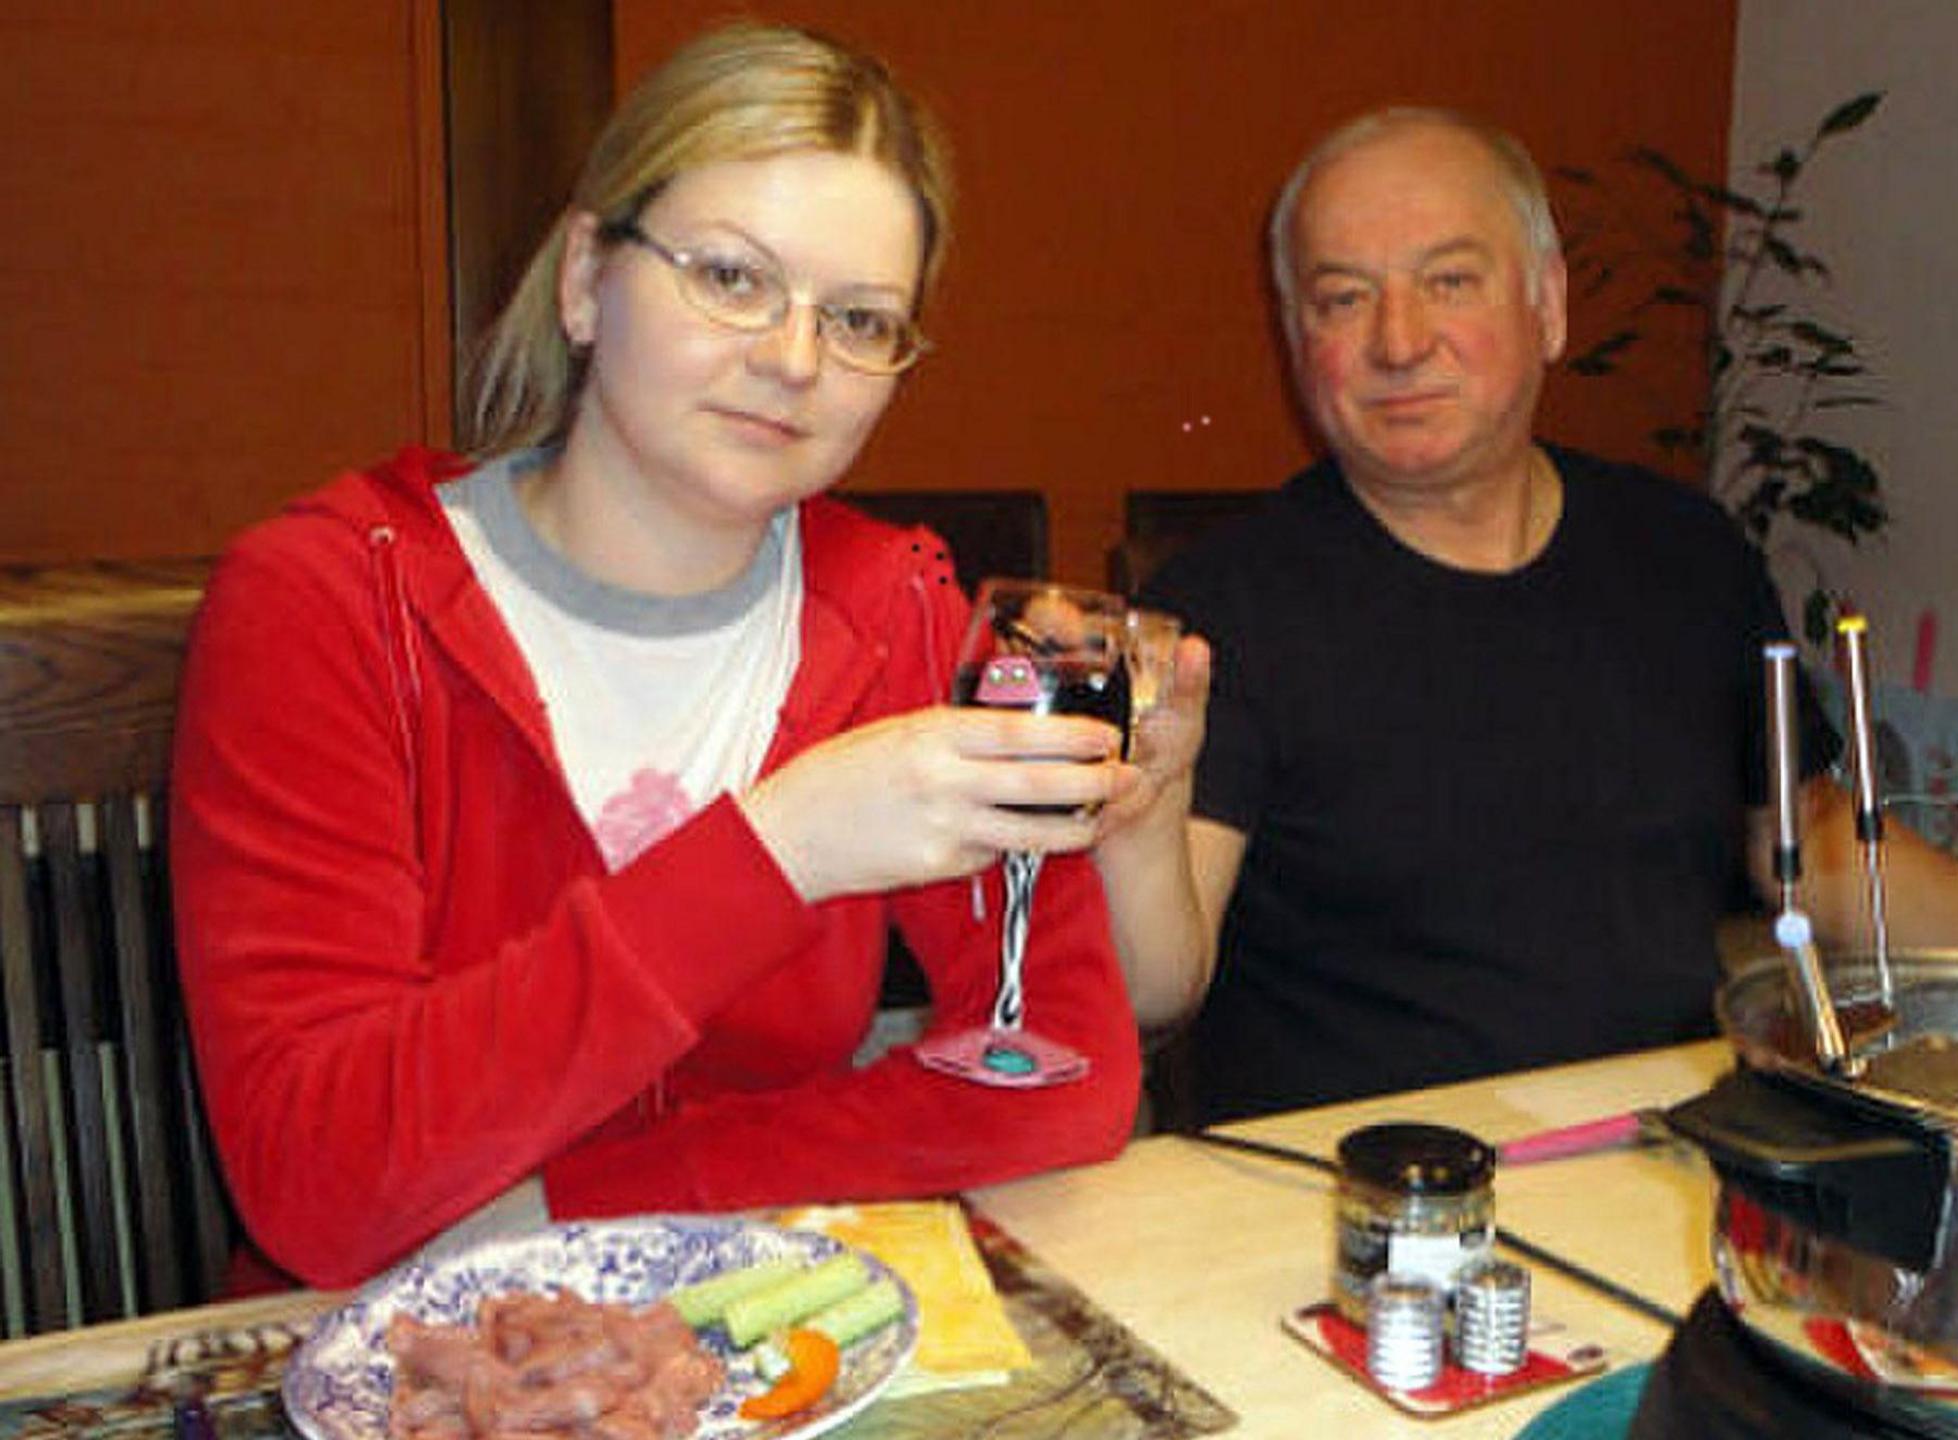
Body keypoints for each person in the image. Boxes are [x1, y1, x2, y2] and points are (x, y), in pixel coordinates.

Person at [171, 23, 1205, 1289]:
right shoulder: (331, 600)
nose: (791, 360)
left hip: (756, 1326)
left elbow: (1062, 1068)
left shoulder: (900, 611)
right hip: (396, 1359)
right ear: (583, 278)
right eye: (729, 277)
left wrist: (572, 1204)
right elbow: (321, 1187)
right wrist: (783, 848)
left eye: (861, 318)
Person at [1130, 108, 1958, 1123]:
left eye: (1448, 280)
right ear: (1293, 337)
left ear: (1546, 305)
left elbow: (1814, 854)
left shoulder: (1687, 557)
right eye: (1341, 298)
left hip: (1658, 1160)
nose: (1399, 340)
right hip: (1354, 1201)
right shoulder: (1223, 611)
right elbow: (1156, 983)